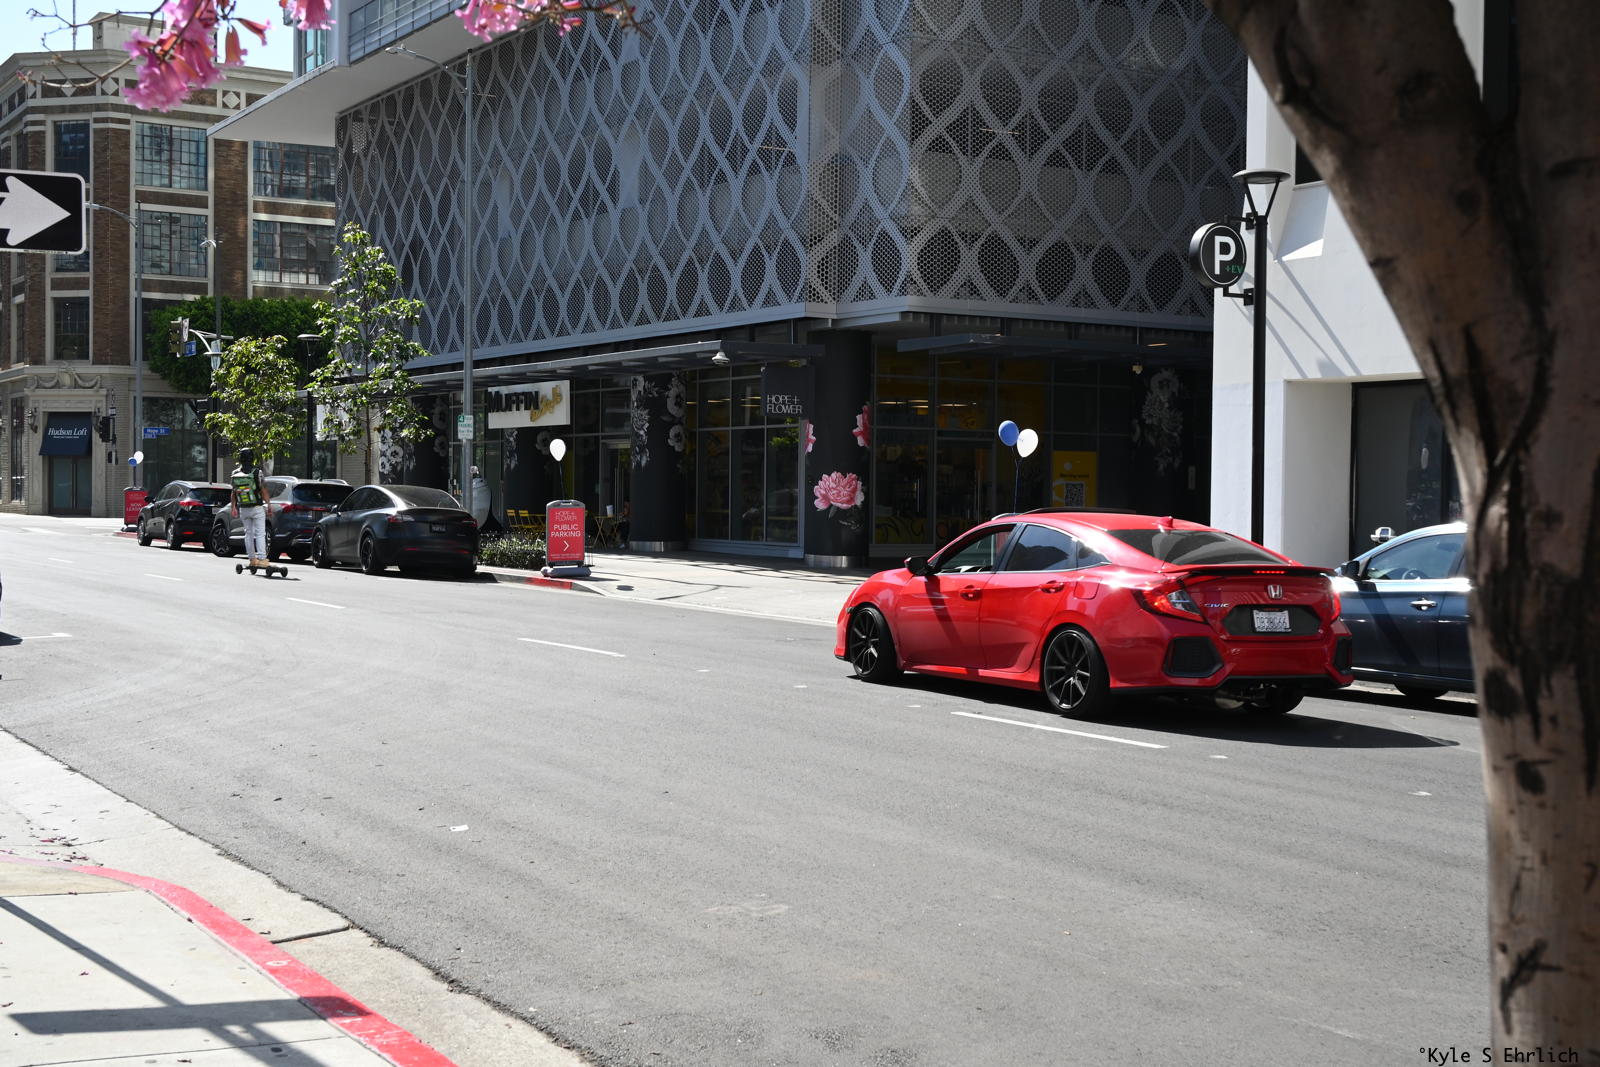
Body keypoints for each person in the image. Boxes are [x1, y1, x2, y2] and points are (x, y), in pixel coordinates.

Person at [229, 447, 272, 569]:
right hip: (256, 507)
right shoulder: (257, 472)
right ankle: (262, 559)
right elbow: (263, 490)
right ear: (252, 458)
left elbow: (233, 492)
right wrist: (269, 504)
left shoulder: (235, 473)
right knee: (260, 533)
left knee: (248, 533)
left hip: (243, 508)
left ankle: (252, 559)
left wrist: (233, 507)